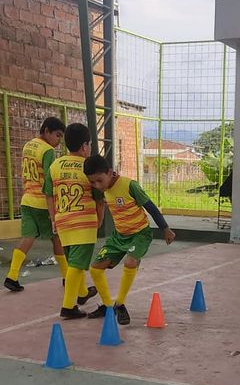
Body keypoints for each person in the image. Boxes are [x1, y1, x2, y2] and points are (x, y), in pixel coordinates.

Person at [83, 154, 175, 325]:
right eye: (93, 183)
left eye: (99, 180)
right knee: (95, 269)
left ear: (109, 172)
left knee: (130, 262)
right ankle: (108, 306)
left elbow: (150, 207)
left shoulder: (129, 185)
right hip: (119, 236)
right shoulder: (102, 190)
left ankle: (120, 304)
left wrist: (165, 228)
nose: (97, 185)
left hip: (140, 234)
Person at [44, 123, 104, 319]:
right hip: (83, 223)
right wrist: (99, 220)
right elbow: (99, 199)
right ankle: (68, 306)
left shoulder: (55, 165)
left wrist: (53, 217)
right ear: (85, 146)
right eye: (90, 144)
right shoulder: (88, 167)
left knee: (73, 263)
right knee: (77, 265)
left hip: (63, 221)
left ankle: (83, 293)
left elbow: (49, 194)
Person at [4, 116, 67, 292]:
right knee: (57, 238)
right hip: (42, 202)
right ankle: (67, 276)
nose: (59, 141)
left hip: (27, 200)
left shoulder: (28, 145)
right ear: (46, 131)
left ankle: (12, 276)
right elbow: (49, 179)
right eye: (58, 135)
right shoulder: (48, 151)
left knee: (27, 238)